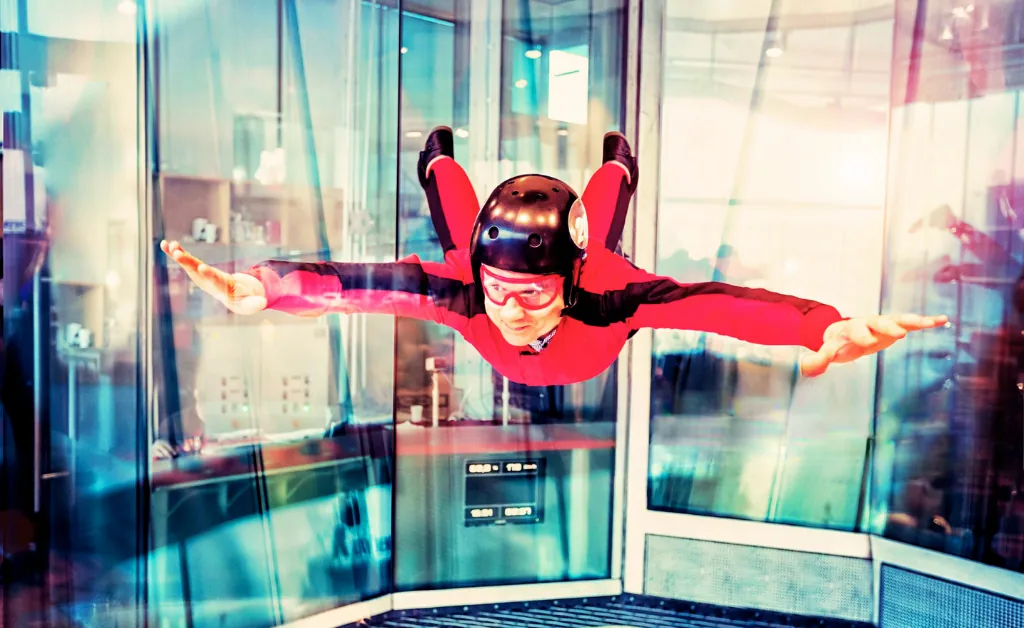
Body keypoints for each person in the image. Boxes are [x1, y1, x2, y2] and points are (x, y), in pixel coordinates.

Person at [161, 128, 946, 386]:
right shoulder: (468, 291)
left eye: (533, 293)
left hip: (587, 347)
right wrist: (266, 288)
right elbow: (361, 285)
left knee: (598, 224)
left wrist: (821, 328)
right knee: (454, 233)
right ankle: (435, 157)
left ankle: (619, 164)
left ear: (567, 286)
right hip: (497, 291)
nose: (509, 307)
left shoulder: (608, 290)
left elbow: (717, 304)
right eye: (500, 289)